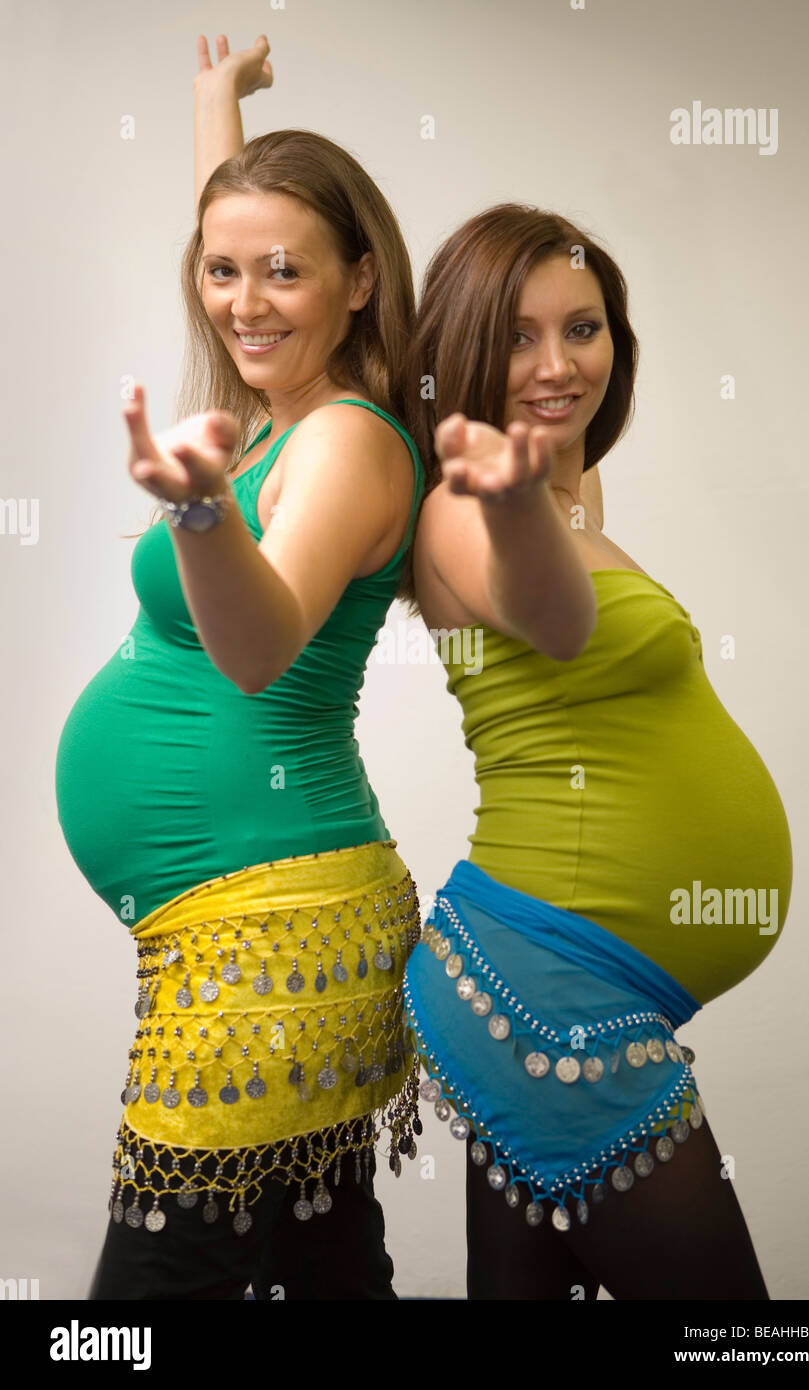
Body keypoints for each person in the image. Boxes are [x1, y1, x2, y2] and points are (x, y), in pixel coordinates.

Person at [54, 34, 425, 1300]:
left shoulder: (345, 444)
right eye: (219, 272)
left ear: (361, 280)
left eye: (285, 273)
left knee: (152, 1301)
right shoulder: (278, 411)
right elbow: (249, 248)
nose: (244, 299)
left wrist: (206, 513)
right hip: (265, 921)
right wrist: (218, 106)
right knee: (315, 1264)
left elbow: (261, 651)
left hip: (269, 937)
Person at [402, 203, 792, 1300]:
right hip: (548, 992)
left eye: (583, 328)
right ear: (467, 351)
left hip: (542, 986)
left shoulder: (571, 495)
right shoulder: (462, 512)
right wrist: (514, 495)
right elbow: (550, 611)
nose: (556, 363)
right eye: (517, 335)